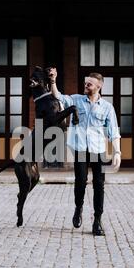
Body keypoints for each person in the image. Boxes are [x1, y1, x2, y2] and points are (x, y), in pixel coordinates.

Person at [48, 68, 121, 236]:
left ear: (99, 86)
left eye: (89, 84)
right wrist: (53, 81)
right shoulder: (76, 100)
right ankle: (78, 207)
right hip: (80, 148)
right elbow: (59, 96)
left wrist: (117, 152)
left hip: (98, 150)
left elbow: (113, 132)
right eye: (85, 83)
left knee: (99, 185)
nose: (86, 85)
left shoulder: (107, 107)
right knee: (80, 181)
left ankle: (97, 221)